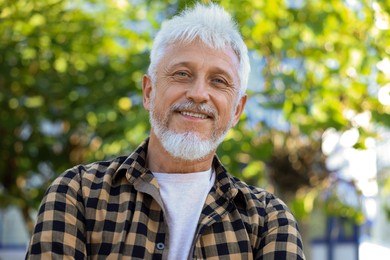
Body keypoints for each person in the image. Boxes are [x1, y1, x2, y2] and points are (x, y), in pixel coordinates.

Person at [26, 3, 305, 259]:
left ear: (236, 111)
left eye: (218, 81)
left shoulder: (268, 220)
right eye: (182, 74)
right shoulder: (78, 195)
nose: (198, 94)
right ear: (149, 91)